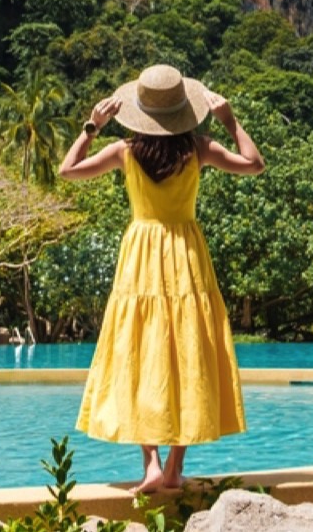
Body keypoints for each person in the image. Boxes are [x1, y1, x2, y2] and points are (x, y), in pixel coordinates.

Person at [58, 64, 265, 494]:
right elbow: (254, 164)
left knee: (138, 350)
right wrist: (229, 119)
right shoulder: (200, 148)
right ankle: (173, 468)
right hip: (187, 254)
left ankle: (149, 464)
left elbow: (67, 170)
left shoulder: (124, 152)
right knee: (190, 351)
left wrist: (91, 128)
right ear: (182, 111)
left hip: (140, 254)